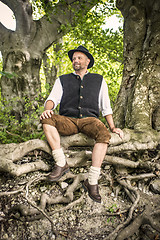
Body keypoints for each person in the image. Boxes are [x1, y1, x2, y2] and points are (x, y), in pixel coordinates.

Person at [40, 45, 123, 203]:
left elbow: (106, 107)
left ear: (87, 61)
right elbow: (52, 99)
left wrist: (113, 127)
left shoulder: (99, 80)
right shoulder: (62, 80)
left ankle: (92, 180)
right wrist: (48, 109)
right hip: (68, 120)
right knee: (46, 118)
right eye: (73, 58)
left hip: (89, 120)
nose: (75, 60)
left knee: (104, 134)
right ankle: (61, 162)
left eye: (79, 58)